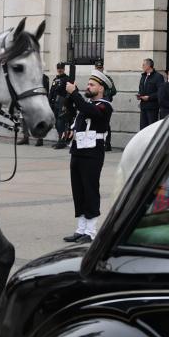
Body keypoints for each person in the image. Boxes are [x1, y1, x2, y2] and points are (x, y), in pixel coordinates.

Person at [63, 68, 112, 243]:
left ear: (101, 88)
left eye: (92, 85)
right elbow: (77, 112)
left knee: (90, 190)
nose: (88, 87)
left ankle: (90, 232)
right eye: (88, 84)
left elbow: (89, 110)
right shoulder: (87, 105)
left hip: (92, 154)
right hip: (77, 151)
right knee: (79, 191)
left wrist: (75, 93)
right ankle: (80, 229)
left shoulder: (105, 106)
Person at [48, 63, 70, 149]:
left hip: (62, 104)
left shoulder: (67, 79)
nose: (60, 70)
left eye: (61, 68)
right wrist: (49, 103)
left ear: (64, 69)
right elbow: (51, 92)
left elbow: (71, 91)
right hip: (54, 104)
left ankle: (62, 141)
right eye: (58, 68)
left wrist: (66, 103)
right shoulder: (55, 80)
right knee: (56, 123)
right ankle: (60, 139)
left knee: (61, 123)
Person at [137, 58, 162, 127]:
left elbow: (160, 92)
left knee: (151, 128)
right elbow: (141, 88)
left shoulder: (158, 77)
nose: (142, 66)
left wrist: (149, 97)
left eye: (143, 65)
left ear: (148, 66)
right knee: (143, 128)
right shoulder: (143, 76)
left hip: (152, 107)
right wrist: (139, 95)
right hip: (143, 106)